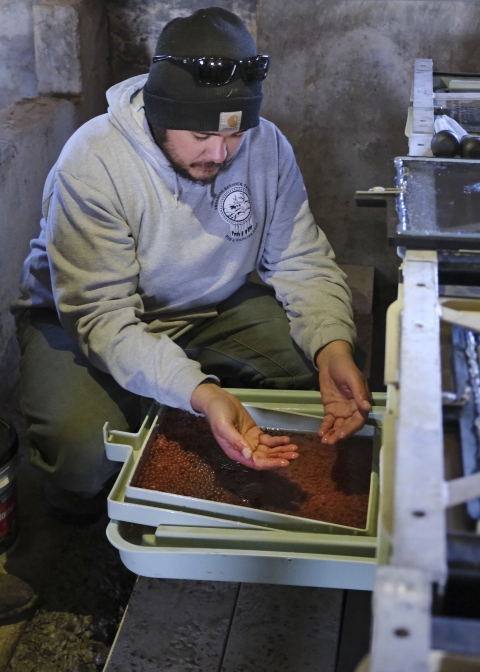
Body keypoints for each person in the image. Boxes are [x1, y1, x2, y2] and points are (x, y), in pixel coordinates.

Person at [12, 7, 371, 523]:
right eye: (201, 136)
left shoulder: (265, 146)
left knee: (312, 370)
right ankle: (76, 505)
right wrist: (201, 394)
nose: (219, 153)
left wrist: (334, 344)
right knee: (84, 458)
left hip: (208, 305)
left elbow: (301, 259)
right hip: (82, 322)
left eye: (233, 135)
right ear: (159, 111)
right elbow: (102, 318)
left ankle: (180, 408)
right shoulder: (93, 162)